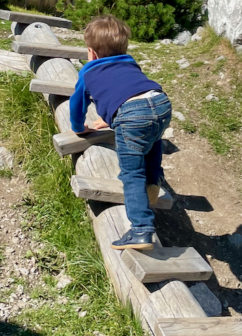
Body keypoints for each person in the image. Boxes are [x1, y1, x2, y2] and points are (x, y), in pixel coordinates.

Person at [68, 15, 172, 251]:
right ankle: (153, 181)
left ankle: (141, 230)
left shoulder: (88, 71)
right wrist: (109, 117)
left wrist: (79, 128)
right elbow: (126, 89)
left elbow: (77, 105)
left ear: (91, 53)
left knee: (131, 173)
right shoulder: (130, 62)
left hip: (132, 115)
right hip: (160, 102)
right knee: (153, 137)